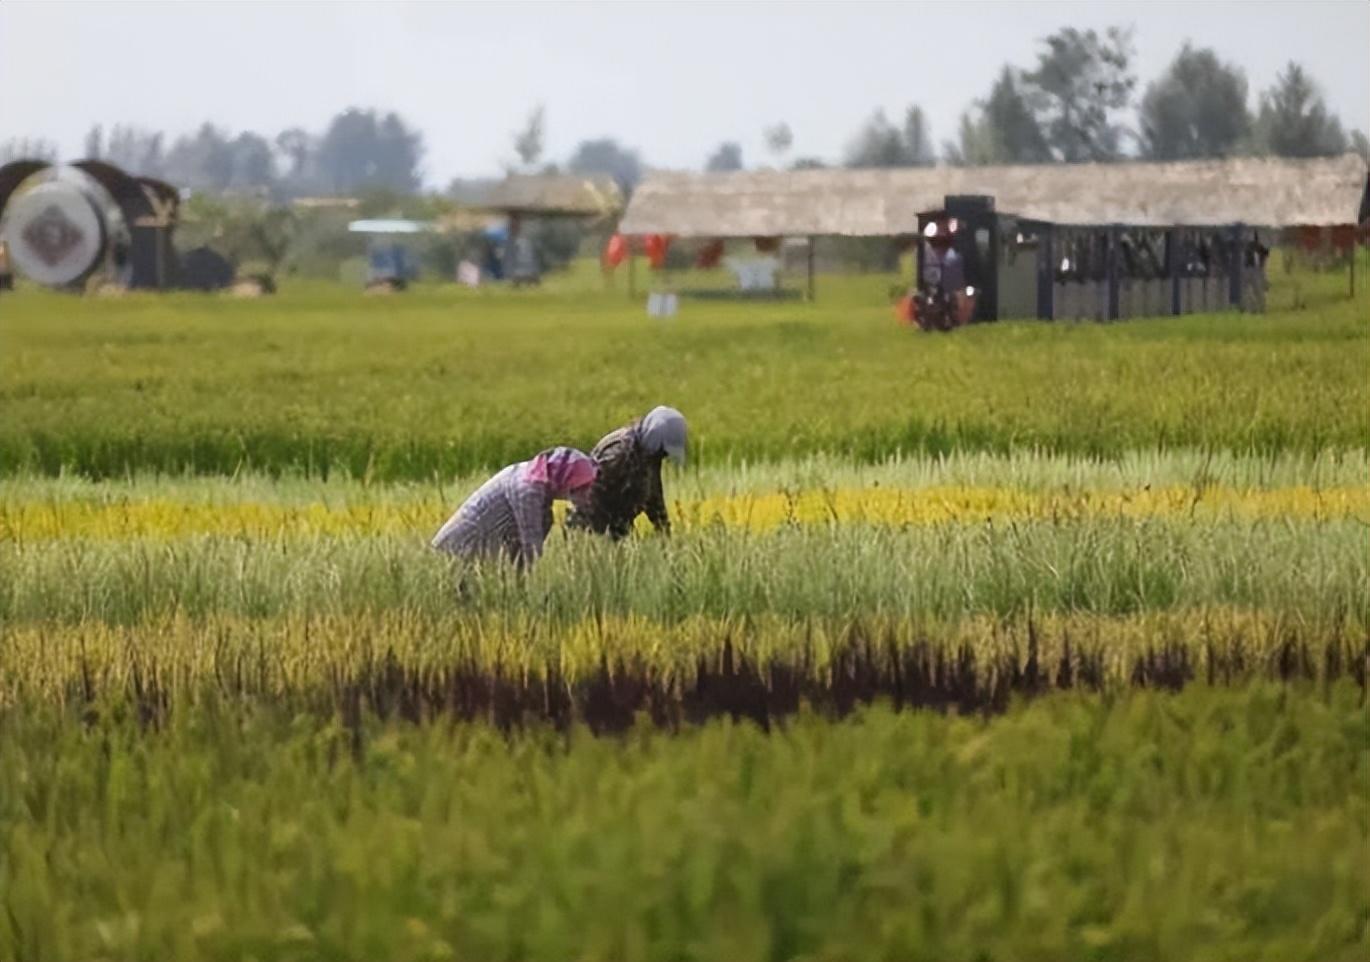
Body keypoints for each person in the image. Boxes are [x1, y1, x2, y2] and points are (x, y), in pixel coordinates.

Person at [431, 446, 598, 568]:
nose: (582, 493)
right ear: (564, 478)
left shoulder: (538, 478)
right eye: (578, 487)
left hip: (479, 555)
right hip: (460, 551)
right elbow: (531, 543)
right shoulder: (528, 490)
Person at [567, 406, 688, 539]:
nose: (665, 455)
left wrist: (662, 527)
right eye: (664, 450)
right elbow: (594, 497)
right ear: (655, 439)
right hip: (590, 530)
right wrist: (615, 536)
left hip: (615, 527)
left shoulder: (649, 456)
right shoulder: (619, 452)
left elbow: (654, 494)